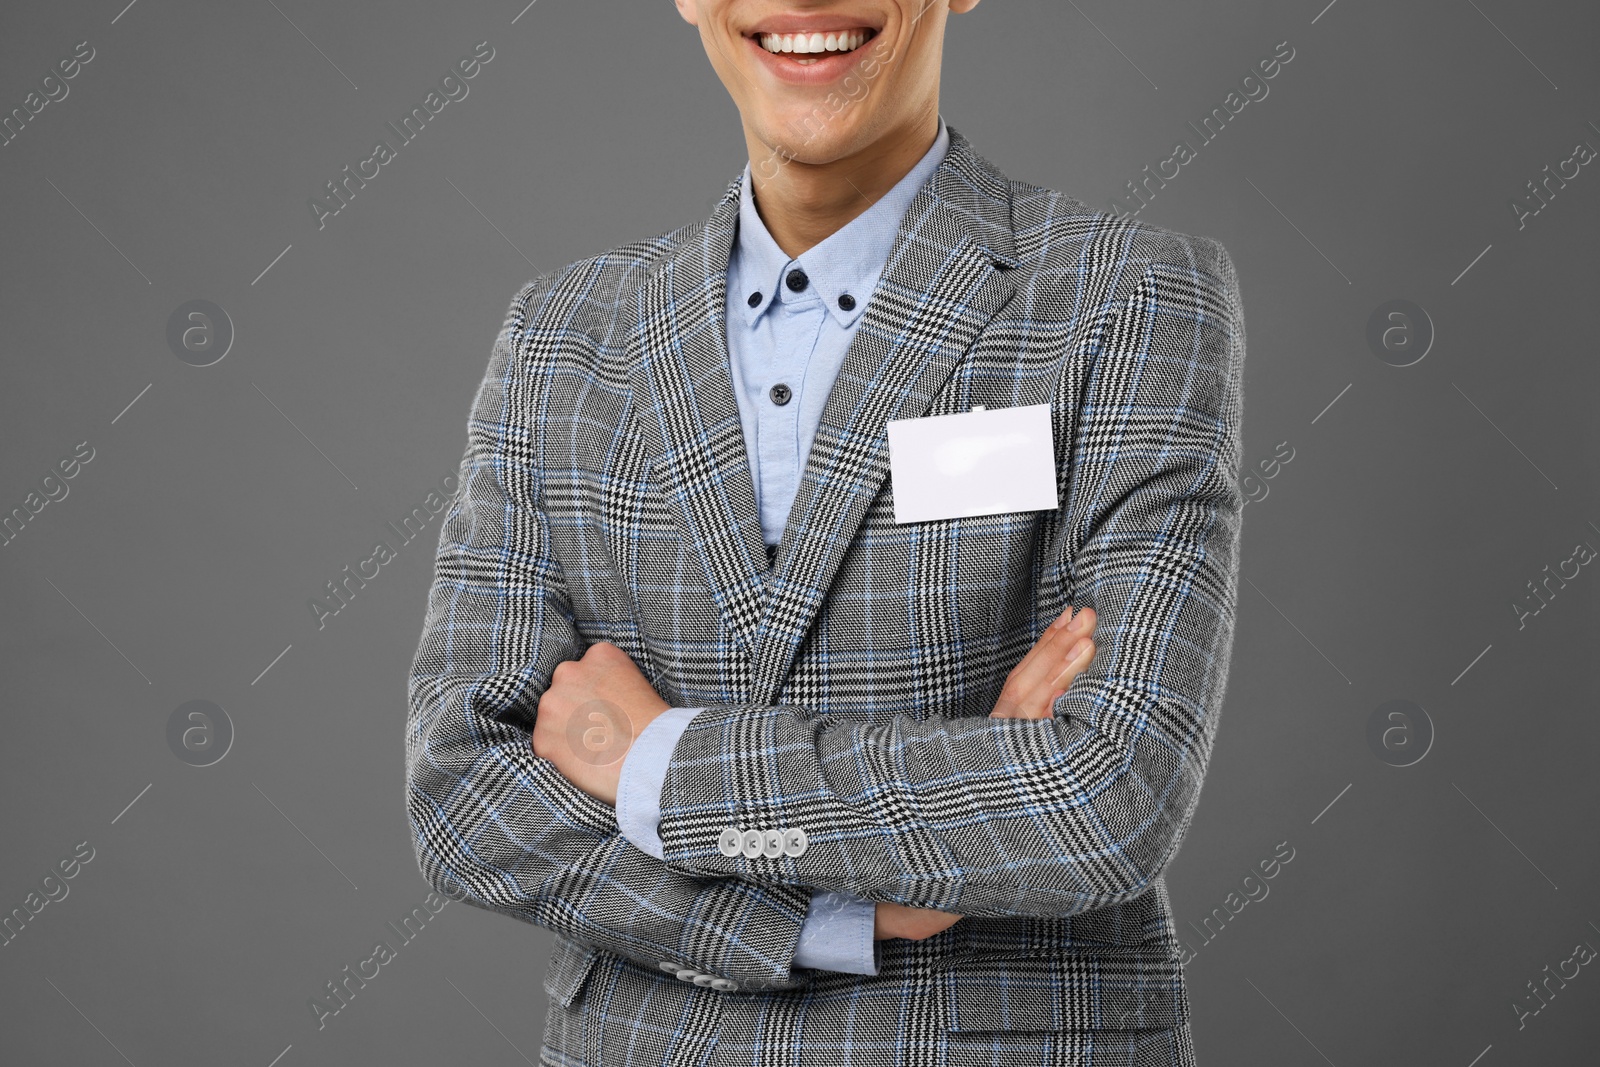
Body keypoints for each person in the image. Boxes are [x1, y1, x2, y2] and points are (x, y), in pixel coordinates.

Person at [405, 2, 1246, 1064]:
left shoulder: (1131, 297)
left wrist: (658, 760)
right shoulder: (561, 337)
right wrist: (840, 917)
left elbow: (1107, 794)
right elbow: (463, 795)